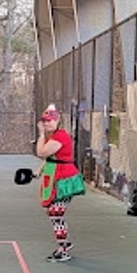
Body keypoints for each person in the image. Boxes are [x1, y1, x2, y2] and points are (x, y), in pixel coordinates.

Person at [35, 104, 85, 262]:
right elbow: (50, 157)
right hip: (56, 177)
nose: (46, 123)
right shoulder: (53, 136)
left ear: (57, 121)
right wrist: (39, 171)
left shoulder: (61, 136)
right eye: (44, 121)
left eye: (49, 121)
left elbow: (41, 152)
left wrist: (41, 134)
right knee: (53, 212)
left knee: (56, 213)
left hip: (65, 180)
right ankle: (66, 243)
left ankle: (63, 250)